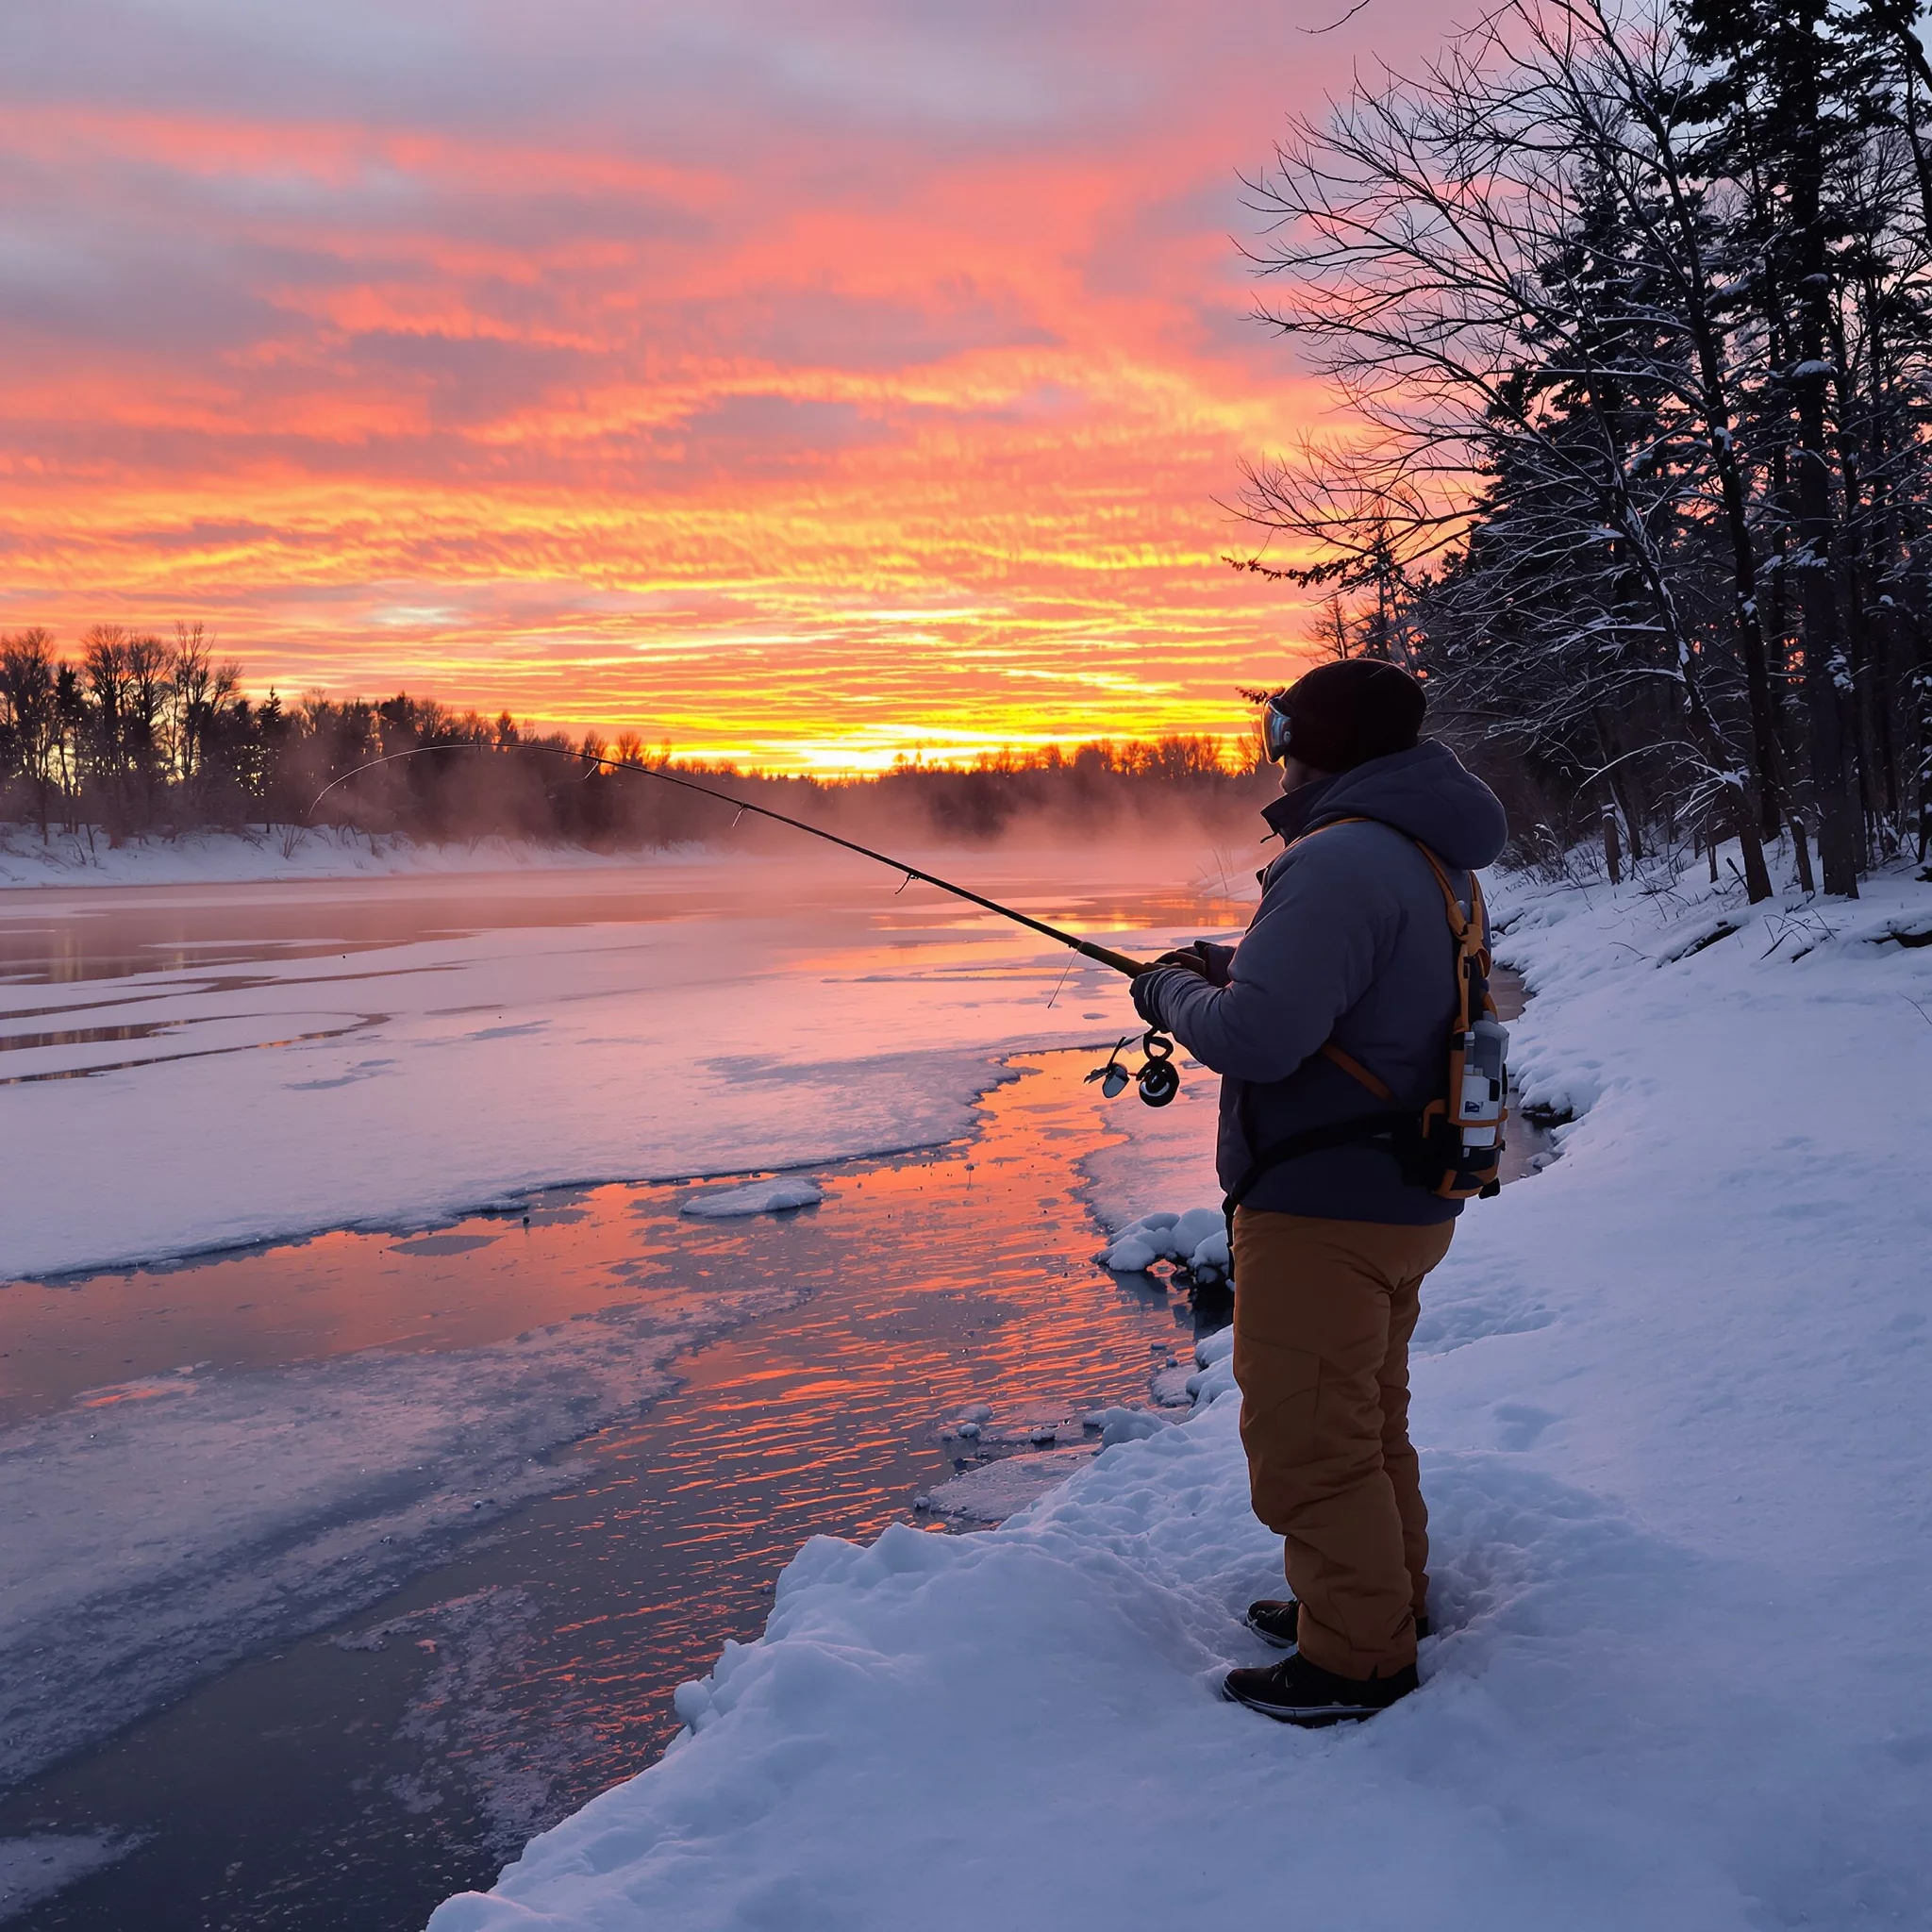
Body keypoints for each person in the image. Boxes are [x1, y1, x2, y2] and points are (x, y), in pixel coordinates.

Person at [1129, 658, 1507, 1727]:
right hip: (1397, 1192)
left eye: (1279, 727)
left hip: (1324, 1200)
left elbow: (1259, 1034)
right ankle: (1377, 1600)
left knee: (1308, 1437)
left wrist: (1167, 988)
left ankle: (1356, 1659)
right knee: (1365, 1416)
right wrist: (1226, 959)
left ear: (1311, 738)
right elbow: (1362, 981)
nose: (1274, 746)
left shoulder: (1336, 858)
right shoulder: (1423, 852)